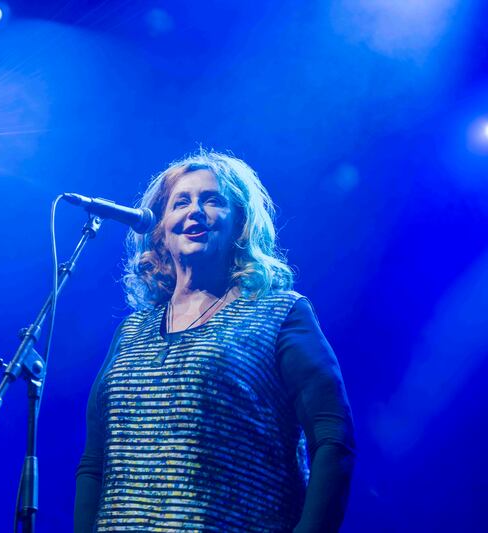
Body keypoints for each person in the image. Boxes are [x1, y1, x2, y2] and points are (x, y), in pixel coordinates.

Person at [74, 150, 355, 532]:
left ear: (239, 223)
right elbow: (95, 463)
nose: (195, 211)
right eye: (181, 202)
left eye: (212, 200)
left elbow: (333, 440)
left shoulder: (279, 314)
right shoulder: (132, 332)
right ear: (160, 230)